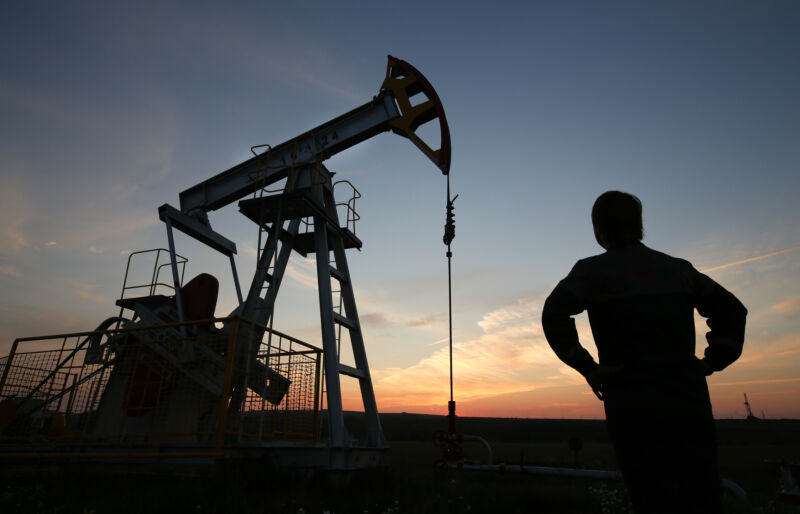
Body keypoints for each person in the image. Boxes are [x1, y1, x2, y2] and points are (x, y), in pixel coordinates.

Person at [541, 191, 746, 513]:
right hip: (686, 395)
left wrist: (588, 367)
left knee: (651, 491)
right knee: (701, 489)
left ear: (598, 229)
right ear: (639, 226)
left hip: (630, 396)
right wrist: (712, 362)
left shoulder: (591, 272)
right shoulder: (678, 269)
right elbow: (731, 310)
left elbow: (553, 313)